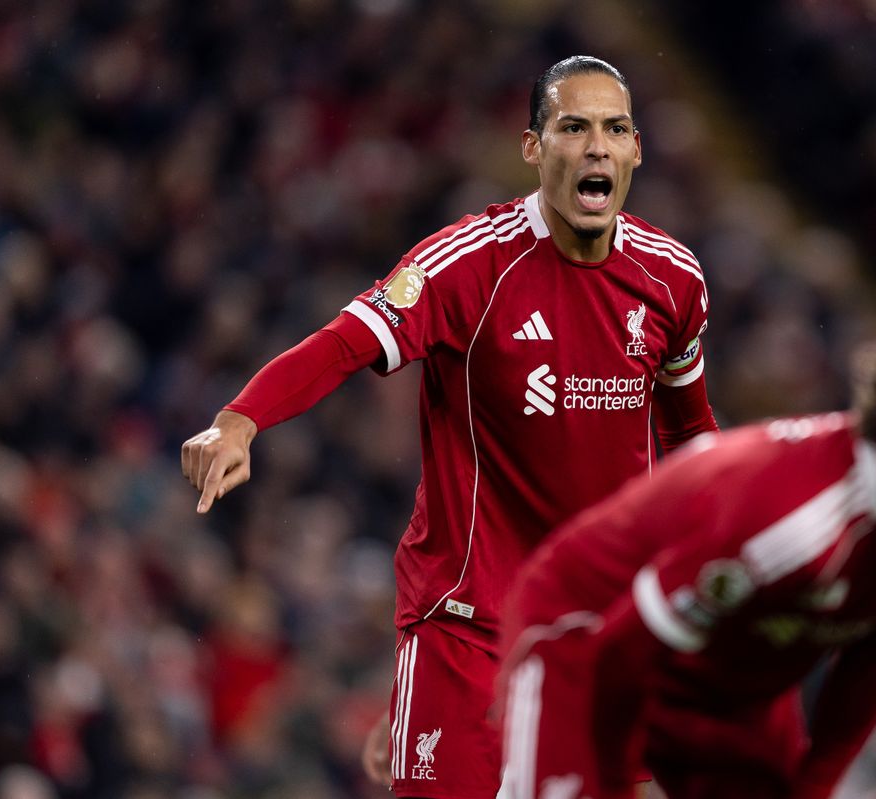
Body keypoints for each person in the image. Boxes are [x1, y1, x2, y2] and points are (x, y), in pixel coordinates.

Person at [180, 55, 717, 798]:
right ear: (534, 147)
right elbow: (345, 341)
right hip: (469, 624)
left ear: (635, 150)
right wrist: (240, 421)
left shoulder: (673, 280)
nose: (596, 146)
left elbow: (695, 437)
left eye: (614, 129)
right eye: (573, 127)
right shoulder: (469, 264)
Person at [498, 297, 876, 799]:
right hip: (588, 639)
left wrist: (811, 788)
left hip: (731, 681)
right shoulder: (790, 521)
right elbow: (621, 656)